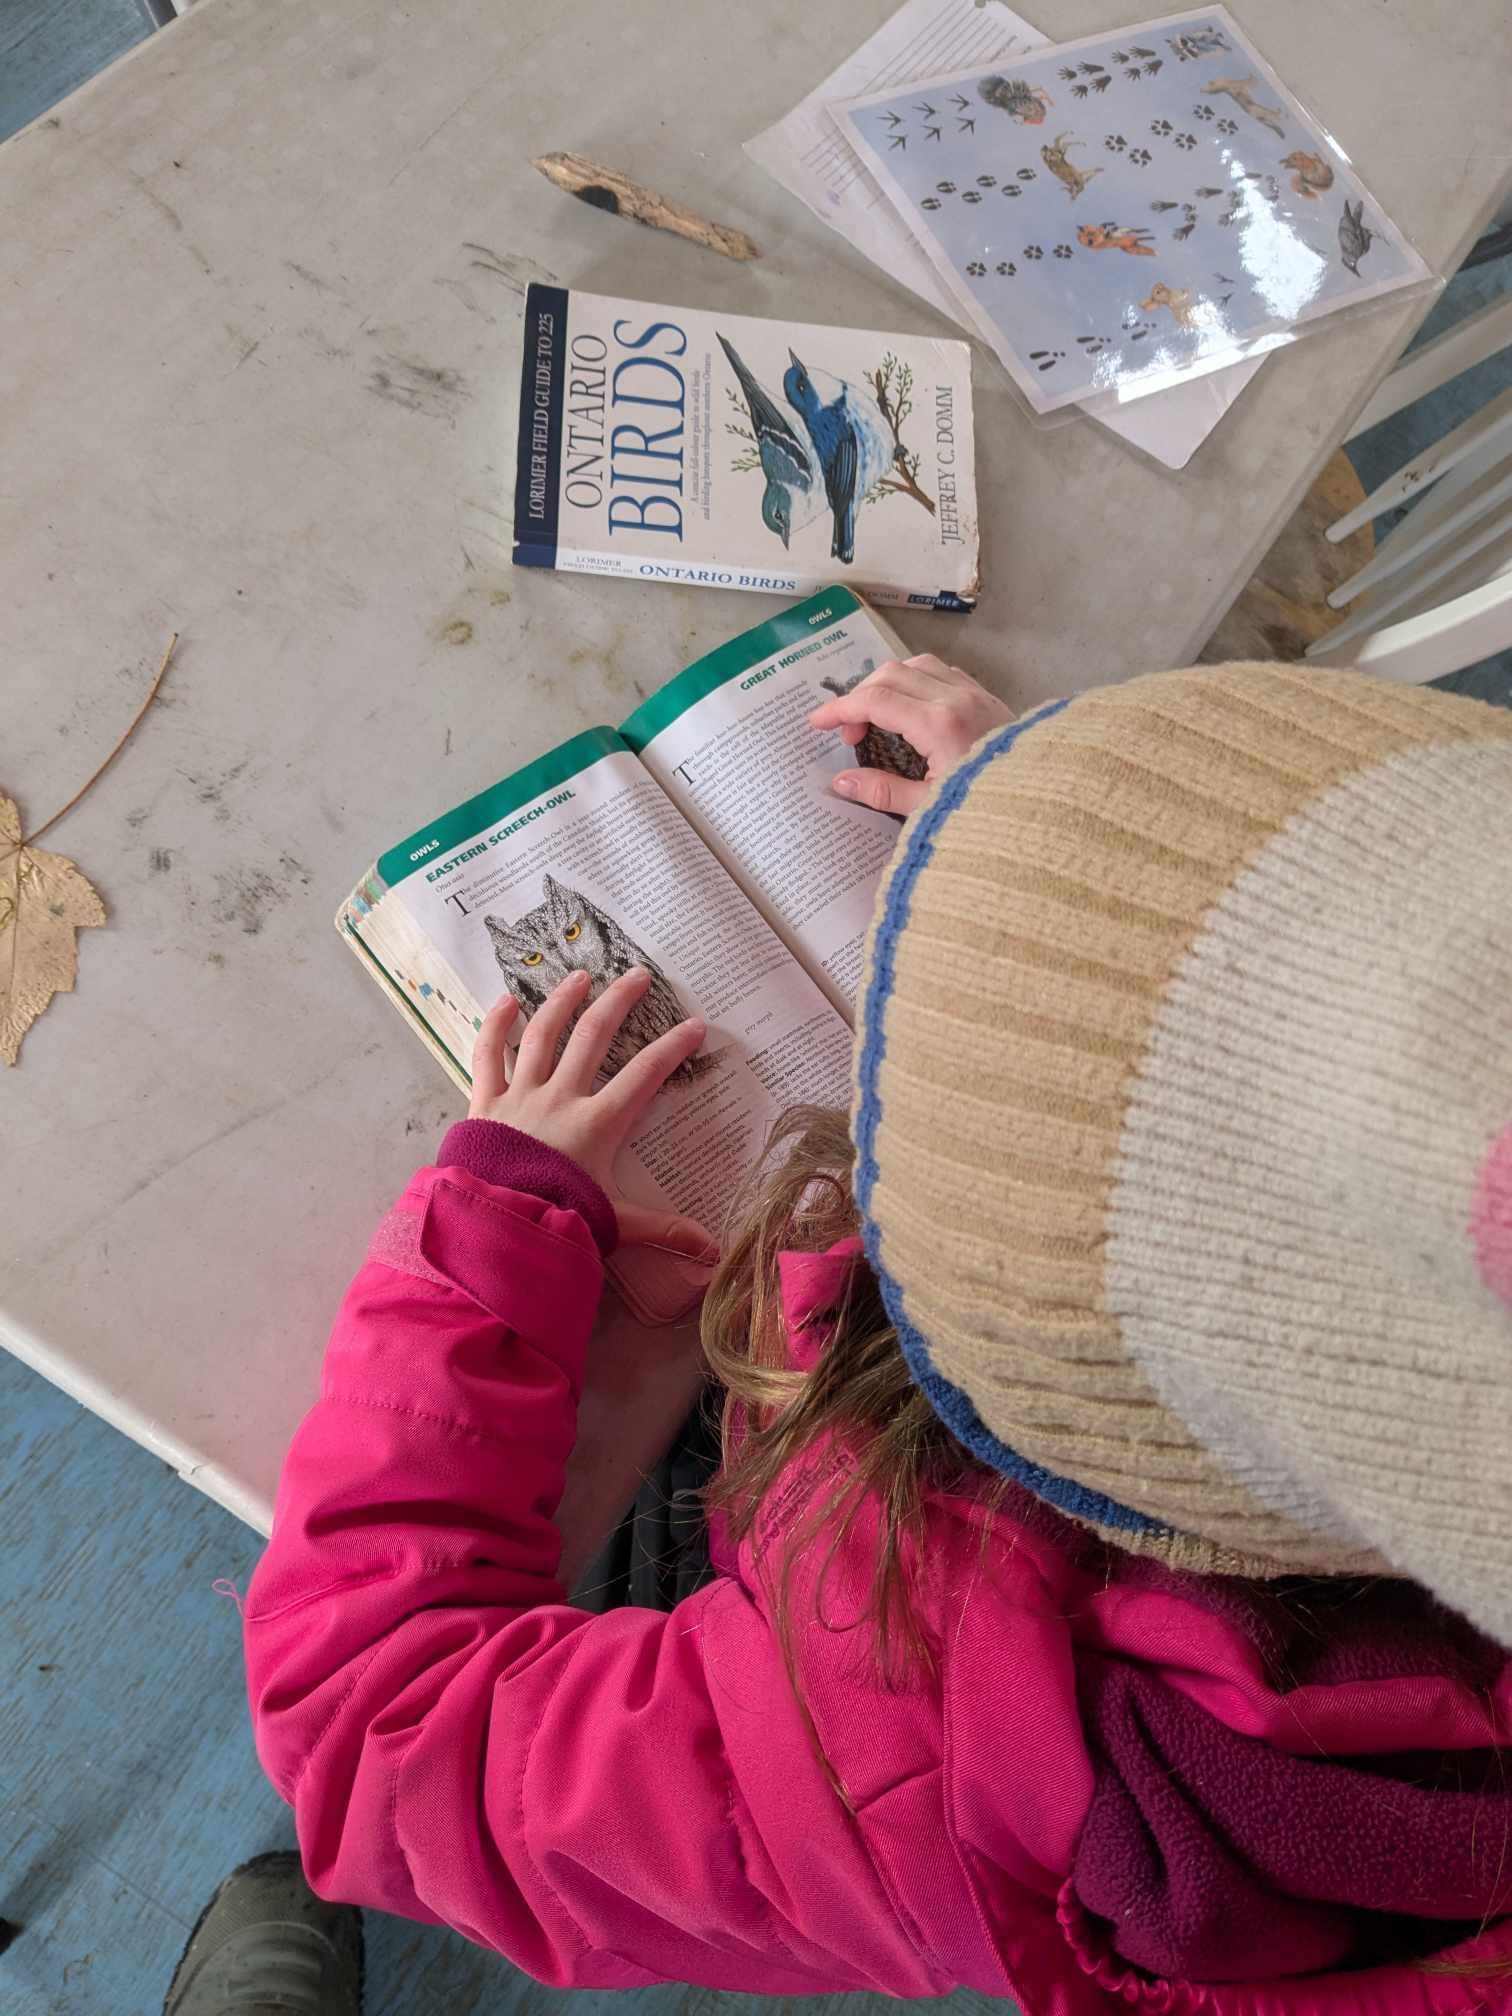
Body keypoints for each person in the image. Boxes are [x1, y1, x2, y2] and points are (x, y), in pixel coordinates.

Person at [228, 655, 1512, 2015]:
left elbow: (378, 1740)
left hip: (818, 1580)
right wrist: (1074, 834)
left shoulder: (932, 1733)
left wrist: (494, 1239)